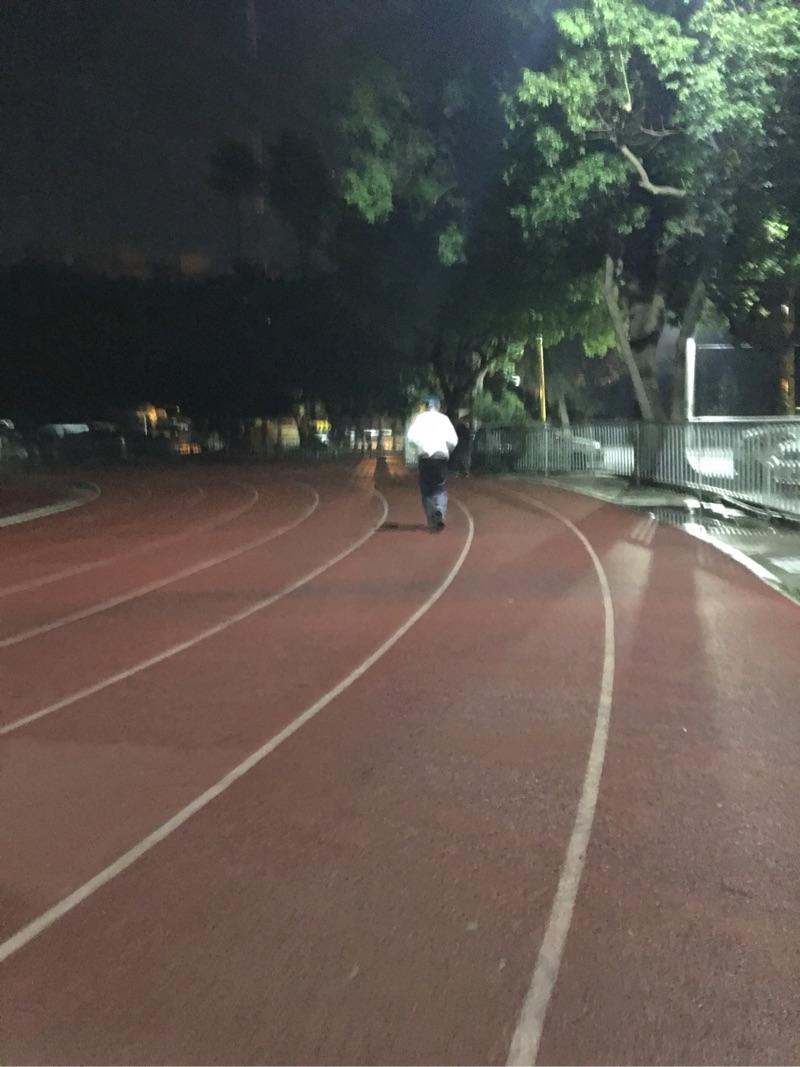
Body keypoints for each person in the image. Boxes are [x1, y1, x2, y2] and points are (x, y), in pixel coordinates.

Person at [406, 397, 458, 532]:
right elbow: (454, 440)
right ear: (438, 407)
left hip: (425, 458)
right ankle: (439, 509)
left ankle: (431, 518)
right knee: (440, 487)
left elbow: (410, 437)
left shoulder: (420, 419)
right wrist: (447, 450)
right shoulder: (444, 419)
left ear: (426, 406)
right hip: (441, 457)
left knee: (426, 489)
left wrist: (419, 446)